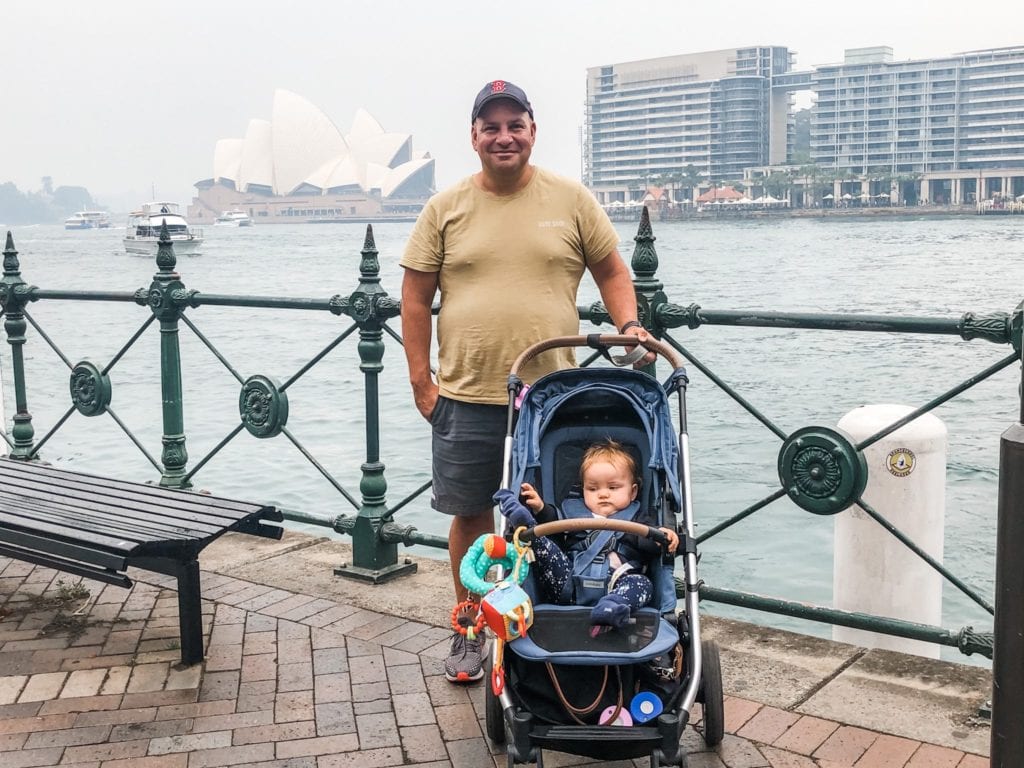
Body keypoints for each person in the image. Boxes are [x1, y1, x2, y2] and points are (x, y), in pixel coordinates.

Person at [400, 79, 651, 684]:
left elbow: (613, 270)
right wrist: (421, 383)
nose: (504, 136)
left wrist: (630, 326)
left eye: (516, 125)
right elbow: (414, 297)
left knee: (552, 517)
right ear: (475, 137)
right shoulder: (445, 207)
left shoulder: (570, 198)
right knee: (469, 517)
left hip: (550, 397)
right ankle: (469, 624)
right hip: (466, 393)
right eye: (492, 127)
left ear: (533, 132)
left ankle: (543, 624)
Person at [493, 440, 679, 635]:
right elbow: (553, 525)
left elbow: (646, 541)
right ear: (583, 490)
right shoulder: (574, 511)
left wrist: (661, 536)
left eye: (613, 488)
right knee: (542, 543)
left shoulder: (638, 518)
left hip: (617, 582)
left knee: (642, 584)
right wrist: (540, 508)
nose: (603, 494)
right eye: (593, 489)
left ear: (632, 492)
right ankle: (526, 522)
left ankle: (611, 608)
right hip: (568, 583)